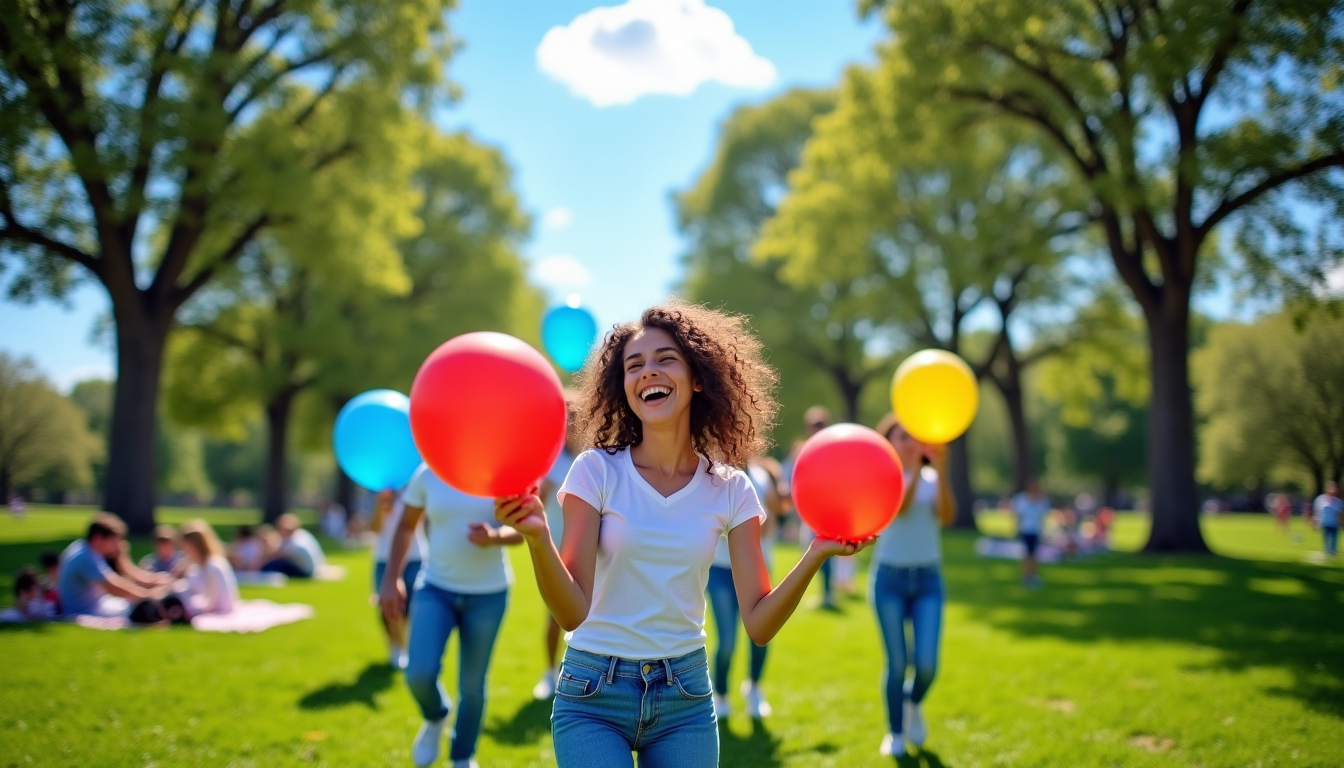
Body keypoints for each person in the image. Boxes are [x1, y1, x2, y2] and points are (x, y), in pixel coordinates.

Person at [494, 301, 872, 767]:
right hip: (592, 692)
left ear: (698, 378)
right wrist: (536, 538)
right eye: (635, 365)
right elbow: (571, 612)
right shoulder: (595, 472)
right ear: (624, 388)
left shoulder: (731, 489)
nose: (648, 371)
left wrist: (815, 553)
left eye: (665, 359)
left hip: (686, 698)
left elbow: (759, 624)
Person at [380, 463, 524, 768]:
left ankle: (462, 756)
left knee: (472, 686)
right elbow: (406, 525)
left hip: (489, 594)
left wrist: (495, 536)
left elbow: (521, 532)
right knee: (418, 674)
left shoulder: (503, 470)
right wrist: (391, 577)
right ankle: (436, 716)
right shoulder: (427, 472)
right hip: (436, 588)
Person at [871, 414, 956, 758]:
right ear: (889, 442)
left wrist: (941, 470)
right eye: (901, 436)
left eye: (913, 436)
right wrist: (921, 469)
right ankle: (895, 732)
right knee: (897, 662)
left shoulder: (934, 478)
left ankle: (913, 702)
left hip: (927, 581)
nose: (909, 442)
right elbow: (899, 510)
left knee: (927, 664)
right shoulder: (882, 478)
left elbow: (947, 516)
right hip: (888, 580)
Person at [707, 456, 784, 720]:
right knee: (726, 641)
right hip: (719, 571)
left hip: (757, 568)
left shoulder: (762, 476)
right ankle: (721, 695)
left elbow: (773, 520)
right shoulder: (711, 475)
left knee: (760, 636)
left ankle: (754, 688)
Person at [533, 391, 584, 700]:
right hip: (559, 549)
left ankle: (578, 673)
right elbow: (537, 501)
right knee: (556, 615)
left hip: (592, 547)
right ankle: (550, 673)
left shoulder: (594, 457)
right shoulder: (554, 463)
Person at [57, 513, 172, 618]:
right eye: (113, 541)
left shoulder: (84, 549)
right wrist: (148, 596)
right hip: (89, 612)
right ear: (98, 539)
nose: (117, 545)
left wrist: (150, 588)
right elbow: (114, 587)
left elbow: (120, 579)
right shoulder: (86, 557)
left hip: (97, 605)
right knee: (145, 609)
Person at [784, 405, 838, 609]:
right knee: (809, 553)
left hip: (829, 513)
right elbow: (789, 477)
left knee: (826, 554)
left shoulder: (835, 449)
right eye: (814, 425)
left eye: (820, 424)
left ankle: (828, 595)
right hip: (808, 514)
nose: (817, 429)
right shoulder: (802, 452)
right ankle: (818, 594)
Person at [372, 487, 426, 669]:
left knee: (414, 607)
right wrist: (381, 506)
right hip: (384, 558)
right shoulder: (380, 492)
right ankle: (396, 648)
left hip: (415, 557)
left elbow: (417, 523)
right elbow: (375, 528)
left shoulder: (416, 489)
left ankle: (410, 647)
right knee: (388, 606)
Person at [177, 521, 240, 616]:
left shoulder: (214, 566)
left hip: (219, 610)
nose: (185, 552)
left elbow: (210, 604)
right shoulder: (196, 567)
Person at [1012, 479, 1051, 587]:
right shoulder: (1022, 499)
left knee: (1034, 555)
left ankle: (1033, 575)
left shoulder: (1042, 500)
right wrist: (1016, 528)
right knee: (1027, 555)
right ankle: (1026, 576)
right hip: (1026, 530)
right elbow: (1018, 515)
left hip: (1036, 530)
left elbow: (1043, 515)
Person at [261, 514, 325, 578]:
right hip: (312, 568)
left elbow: (280, 554)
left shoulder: (296, 541)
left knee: (276, 564)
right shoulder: (301, 534)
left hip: (306, 571)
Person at [1314, 482, 1342, 557]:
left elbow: (1339, 514)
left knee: (1334, 538)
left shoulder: (1338, 502)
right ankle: (1327, 550)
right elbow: (1317, 511)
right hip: (1325, 522)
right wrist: (1316, 522)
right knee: (1326, 538)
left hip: (1334, 523)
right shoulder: (1321, 499)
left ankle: (1333, 551)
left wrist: (1341, 523)